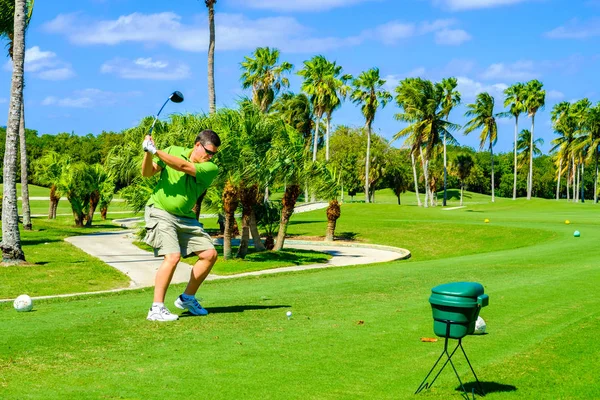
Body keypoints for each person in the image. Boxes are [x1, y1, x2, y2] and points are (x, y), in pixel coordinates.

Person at [141, 129, 220, 322]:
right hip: (160, 211)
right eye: (208, 151)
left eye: (214, 154)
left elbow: (184, 166)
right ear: (197, 145)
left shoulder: (210, 168)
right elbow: (147, 173)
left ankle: (187, 298)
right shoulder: (173, 150)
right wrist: (147, 152)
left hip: (185, 217)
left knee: (210, 254)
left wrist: (155, 151)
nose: (210, 156)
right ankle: (156, 308)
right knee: (173, 256)